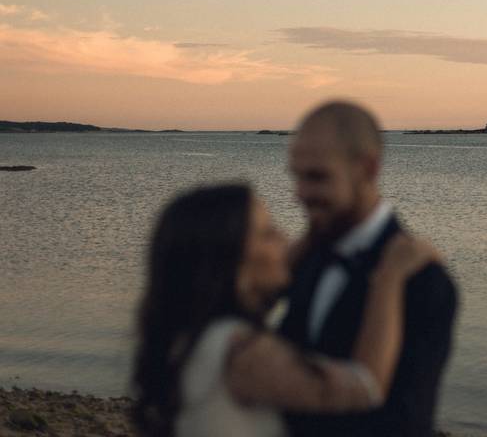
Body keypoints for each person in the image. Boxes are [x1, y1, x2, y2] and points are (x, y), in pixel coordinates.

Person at [131, 183, 437, 437]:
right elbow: (364, 386)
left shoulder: (192, 334)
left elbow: (262, 286)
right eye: (268, 232)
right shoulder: (243, 355)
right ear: (232, 263)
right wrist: (391, 277)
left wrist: (317, 233)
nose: (285, 238)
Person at [280, 101, 458, 437]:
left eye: (317, 177)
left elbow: (406, 421)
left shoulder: (424, 280)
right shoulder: (307, 257)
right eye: (297, 176)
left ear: (368, 169)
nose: (300, 194)